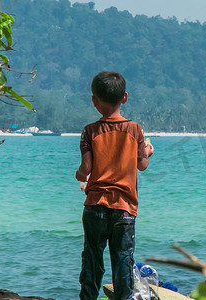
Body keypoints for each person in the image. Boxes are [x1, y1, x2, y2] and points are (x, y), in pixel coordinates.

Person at [75, 71, 154, 300]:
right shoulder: (135, 129)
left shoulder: (89, 131)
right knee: (122, 261)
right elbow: (142, 165)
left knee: (92, 259)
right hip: (125, 209)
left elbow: (86, 169)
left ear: (94, 100)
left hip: (95, 206)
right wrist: (147, 151)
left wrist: (78, 175)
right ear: (125, 97)